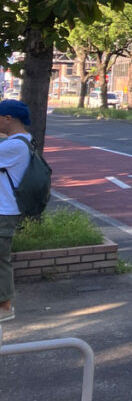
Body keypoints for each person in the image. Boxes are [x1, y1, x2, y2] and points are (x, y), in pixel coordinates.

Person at [0, 99, 32, 323]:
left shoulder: (14, 146)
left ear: (8, 118)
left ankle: (4, 307)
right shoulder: (24, 141)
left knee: (1, 260)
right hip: (6, 209)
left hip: (4, 211)